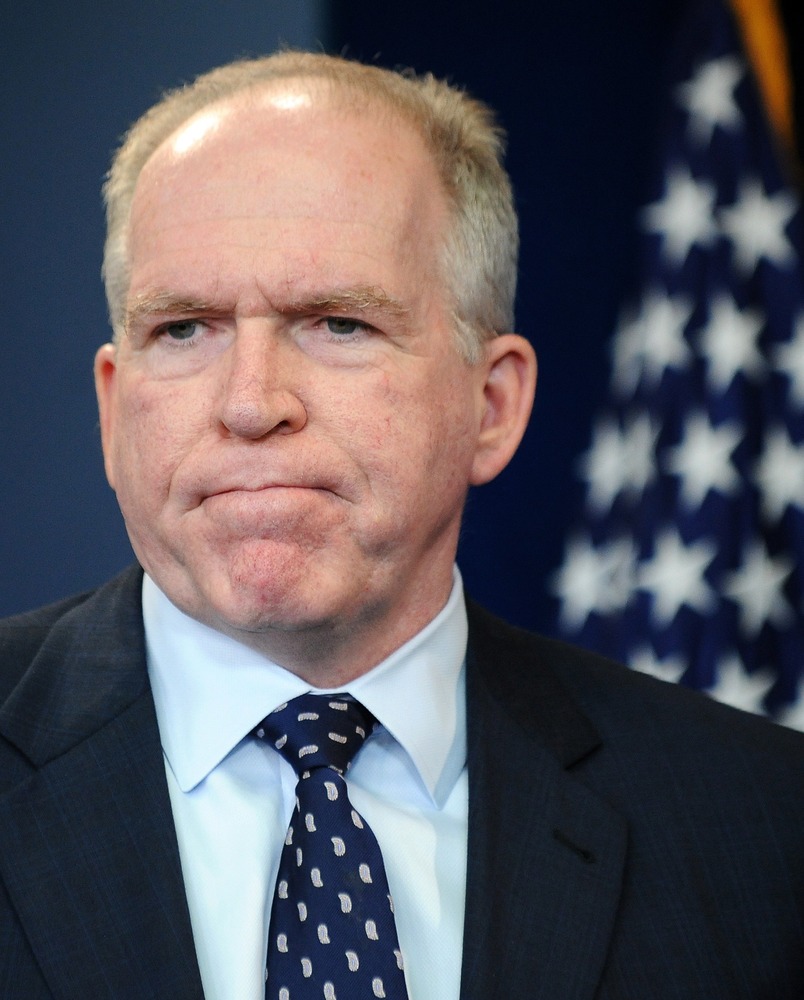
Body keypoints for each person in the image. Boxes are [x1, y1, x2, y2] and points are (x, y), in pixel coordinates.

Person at [0, 50, 802, 1000]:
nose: (251, 404)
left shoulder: (763, 826)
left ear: (491, 405)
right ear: (112, 405)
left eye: (337, 323)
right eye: (183, 330)